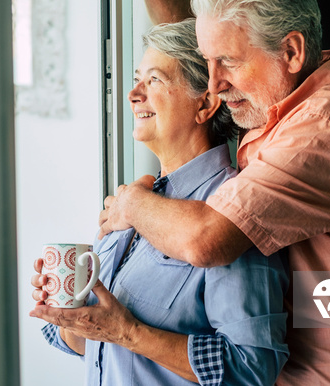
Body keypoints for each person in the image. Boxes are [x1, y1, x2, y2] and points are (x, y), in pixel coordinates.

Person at [83, 0, 330, 384]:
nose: (215, 84)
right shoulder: (279, 94)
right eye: (210, 64)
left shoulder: (327, 125)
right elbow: (189, 44)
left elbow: (207, 240)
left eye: (229, 64)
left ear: (291, 51)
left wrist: (130, 203)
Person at [30, 19, 290, 386]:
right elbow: (97, 342)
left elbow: (252, 367)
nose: (134, 93)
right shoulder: (130, 203)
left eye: (154, 80)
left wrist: (129, 333)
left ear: (206, 104)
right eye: (138, 78)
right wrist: (69, 314)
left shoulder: (231, 211)